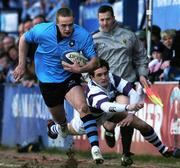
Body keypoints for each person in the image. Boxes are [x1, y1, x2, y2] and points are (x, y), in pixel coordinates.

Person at [13, 7, 102, 163]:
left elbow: (95, 61)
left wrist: (80, 69)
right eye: (63, 25)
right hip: (48, 82)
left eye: (70, 25)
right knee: (61, 121)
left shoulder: (83, 35)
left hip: (69, 76)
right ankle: (58, 126)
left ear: (74, 21)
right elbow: (23, 39)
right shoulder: (42, 31)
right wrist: (21, 65)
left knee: (83, 108)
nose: (68, 29)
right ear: (56, 23)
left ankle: (95, 149)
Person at [49, 59, 180, 164]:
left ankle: (164, 150)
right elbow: (106, 106)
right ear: (91, 77)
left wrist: (130, 115)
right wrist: (128, 108)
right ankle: (53, 128)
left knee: (143, 125)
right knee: (67, 130)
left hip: (109, 113)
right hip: (90, 119)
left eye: (105, 73)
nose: (104, 77)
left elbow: (133, 93)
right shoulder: (93, 91)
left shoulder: (111, 77)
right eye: (99, 75)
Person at [92, 5, 149, 166]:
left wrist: (142, 74)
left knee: (127, 114)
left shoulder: (129, 35)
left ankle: (125, 153)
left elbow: (141, 57)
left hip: (126, 81)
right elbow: (88, 64)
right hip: (105, 85)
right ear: (98, 20)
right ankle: (109, 127)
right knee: (107, 116)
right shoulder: (93, 39)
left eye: (107, 19)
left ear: (114, 18)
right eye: (101, 20)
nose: (105, 22)